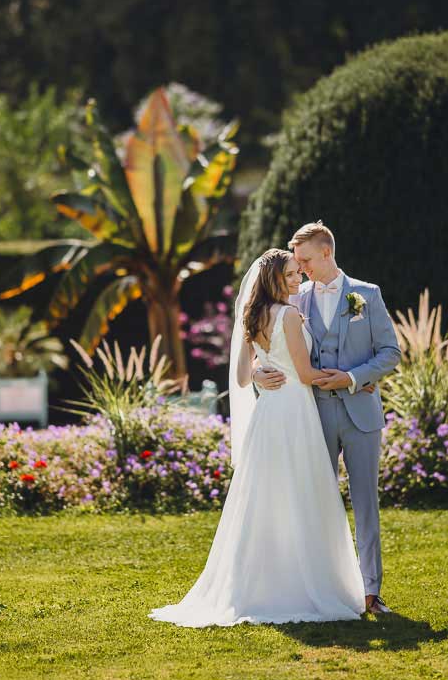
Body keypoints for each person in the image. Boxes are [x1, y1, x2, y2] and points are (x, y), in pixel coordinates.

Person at [149, 248, 365, 627]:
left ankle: (262, 582)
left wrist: (263, 372)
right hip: (295, 413)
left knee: (266, 496)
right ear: (274, 280)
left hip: (269, 415)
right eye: (292, 275)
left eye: (299, 273)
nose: (299, 280)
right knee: (302, 492)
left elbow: (242, 378)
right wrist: (351, 379)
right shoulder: (290, 316)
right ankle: (303, 584)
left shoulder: (253, 316)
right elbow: (303, 373)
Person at [254, 221, 401, 614]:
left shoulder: (367, 295)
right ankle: (318, 587)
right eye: (295, 263)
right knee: (312, 502)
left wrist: (354, 377)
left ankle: (371, 593)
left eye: (304, 260)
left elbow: (390, 352)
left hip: (360, 415)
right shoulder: (293, 299)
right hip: (311, 415)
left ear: (326, 253)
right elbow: (265, 349)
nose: (299, 269)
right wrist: (255, 373)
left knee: (365, 503)